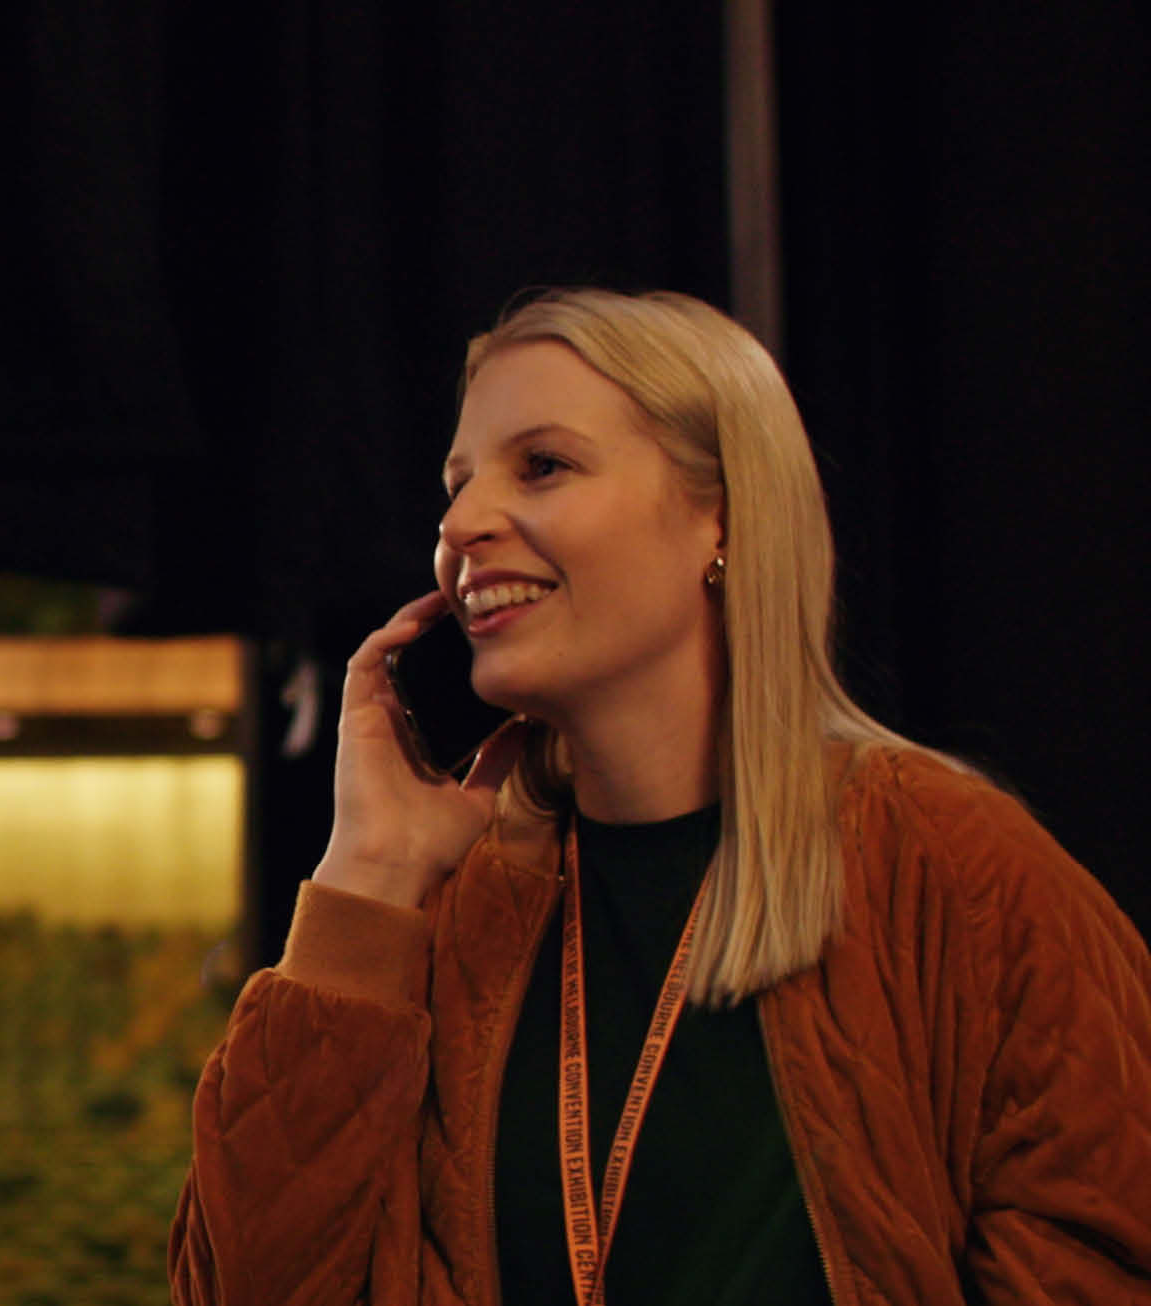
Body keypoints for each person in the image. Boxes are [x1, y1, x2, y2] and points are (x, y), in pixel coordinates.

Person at [168, 288, 1151, 1305]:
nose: (459, 524)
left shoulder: (945, 861)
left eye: (540, 465)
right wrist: (366, 877)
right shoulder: (450, 911)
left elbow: (1104, 1249)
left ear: (718, 514)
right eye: (453, 486)